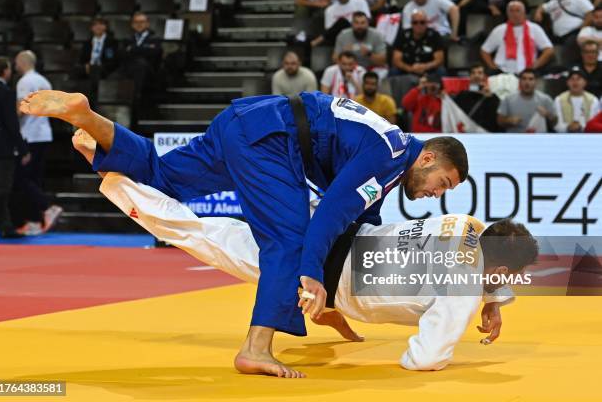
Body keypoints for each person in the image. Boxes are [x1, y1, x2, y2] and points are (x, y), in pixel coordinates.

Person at [20, 89, 469, 378]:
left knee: (164, 174)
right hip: (273, 140)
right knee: (289, 242)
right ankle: (256, 347)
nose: (436, 194)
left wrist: (330, 301)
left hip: (248, 119)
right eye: (442, 183)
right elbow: (332, 213)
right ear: (428, 158)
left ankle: (89, 120)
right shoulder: (389, 154)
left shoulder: (388, 155)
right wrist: (311, 275)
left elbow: (358, 220)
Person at [71, 135, 536, 371]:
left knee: (213, 202)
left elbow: (482, 253)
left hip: (339, 232)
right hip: (319, 270)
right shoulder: (461, 291)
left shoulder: (470, 226)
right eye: (508, 279)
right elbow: (423, 357)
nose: (440, 193)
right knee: (200, 234)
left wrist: (494, 299)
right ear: (497, 269)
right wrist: (483, 300)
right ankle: (117, 182)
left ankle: (116, 154)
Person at [14, 50, 62, 235]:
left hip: (30, 135)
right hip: (43, 133)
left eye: (17, 63)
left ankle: (47, 208)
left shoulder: (25, 82)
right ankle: (35, 220)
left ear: (22, 62)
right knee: (34, 178)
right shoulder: (44, 81)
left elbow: (21, 109)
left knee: (22, 178)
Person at [0, 56, 30, 239]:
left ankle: (6, 226)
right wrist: (23, 149)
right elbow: (11, 124)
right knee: (2, 187)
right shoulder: (6, 93)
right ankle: (6, 226)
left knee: (0, 189)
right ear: (5, 71)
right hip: (1, 148)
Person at [481, 0, 554, 74]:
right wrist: (493, 67)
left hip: (526, 73)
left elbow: (549, 50)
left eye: (517, 10)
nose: (514, 14)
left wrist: (536, 65)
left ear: (524, 13)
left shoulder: (534, 28)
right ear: (507, 14)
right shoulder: (499, 29)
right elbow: (484, 50)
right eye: (511, 11)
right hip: (502, 71)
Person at [119, 12, 163, 104]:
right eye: (136, 22)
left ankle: (135, 97)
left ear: (147, 23)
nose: (139, 24)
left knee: (140, 64)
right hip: (129, 70)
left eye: (142, 22)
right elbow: (122, 54)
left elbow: (155, 53)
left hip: (149, 72)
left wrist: (132, 49)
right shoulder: (127, 39)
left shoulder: (155, 38)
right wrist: (144, 49)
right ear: (132, 24)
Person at [391, 9, 445, 76]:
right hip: (407, 70)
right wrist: (411, 69)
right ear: (411, 24)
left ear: (427, 23)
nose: (418, 25)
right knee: (394, 71)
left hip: (429, 70)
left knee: (441, 71)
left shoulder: (434, 35)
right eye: (415, 22)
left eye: (422, 22)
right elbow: (396, 60)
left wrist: (425, 67)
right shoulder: (403, 35)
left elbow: (439, 60)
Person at [454, 63, 501, 132]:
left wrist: (490, 98)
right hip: (466, 131)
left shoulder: (492, 96)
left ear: (485, 76)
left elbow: (495, 118)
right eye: (473, 73)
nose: (476, 75)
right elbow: (455, 112)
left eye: (480, 73)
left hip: (485, 133)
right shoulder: (462, 95)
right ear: (469, 76)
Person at [554, 67, 599, 132]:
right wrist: (568, 127)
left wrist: (581, 127)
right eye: (572, 79)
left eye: (578, 79)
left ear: (585, 82)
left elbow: (594, 124)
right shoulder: (559, 100)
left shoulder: (593, 100)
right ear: (567, 82)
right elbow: (557, 125)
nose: (575, 82)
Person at [76, 17, 119, 81]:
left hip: (104, 68)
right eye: (95, 24)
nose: (98, 27)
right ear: (91, 28)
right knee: (76, 69)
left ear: (106, 26)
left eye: (101, 24)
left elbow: (111, 60)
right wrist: (86, 66)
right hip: (88, 68)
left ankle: (94, 91)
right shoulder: (87, 43)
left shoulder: (111, 42)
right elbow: (82, 59)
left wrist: (96, 67)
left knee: (95, 70)